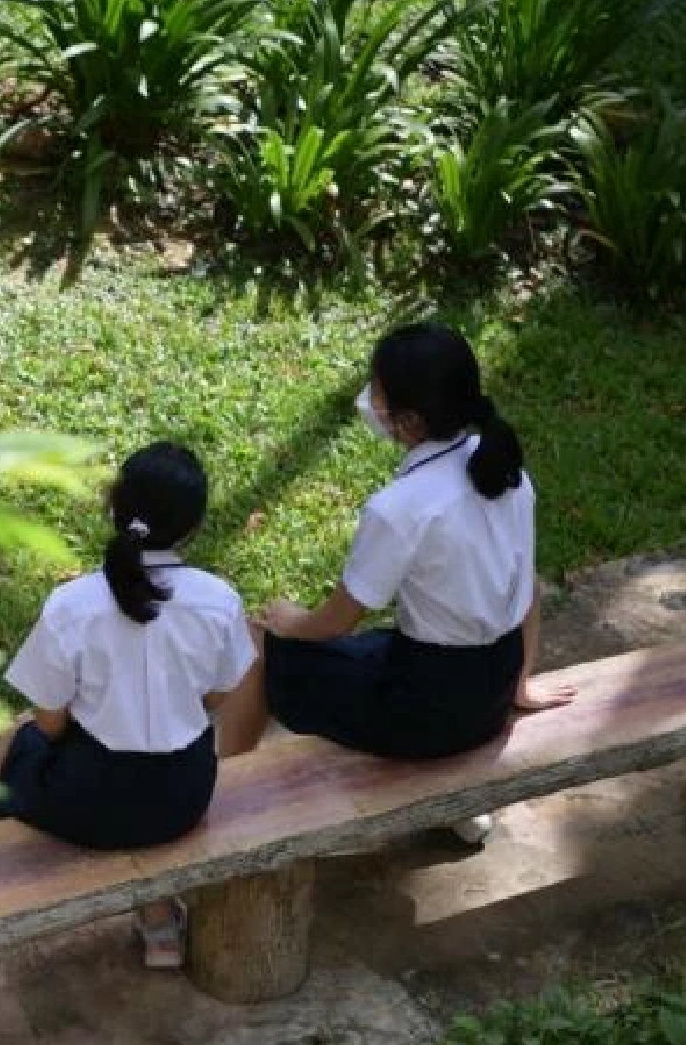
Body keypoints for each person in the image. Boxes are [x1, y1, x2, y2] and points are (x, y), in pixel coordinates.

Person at [223, 322, 575, 842]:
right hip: (493, 688)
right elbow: (529, 590)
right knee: (370, 651)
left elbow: (337, 621)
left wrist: (289, 620)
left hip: (423, 709)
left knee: (258, 646)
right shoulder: (506, 473)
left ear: (408, 420)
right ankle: (456, 802)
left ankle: (222, 805)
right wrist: (519, 683)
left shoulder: (401, 507)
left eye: (377, 390)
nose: (370, 399)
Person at [0, 441, 264, 968]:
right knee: (138, 806)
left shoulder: (73, 605)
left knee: (14, 739)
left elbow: (50, 723)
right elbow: (217, 695)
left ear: (113, 507)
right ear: (193, 527)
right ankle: (158, 921)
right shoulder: (219, 600)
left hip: (90, 803)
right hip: (183, 796)